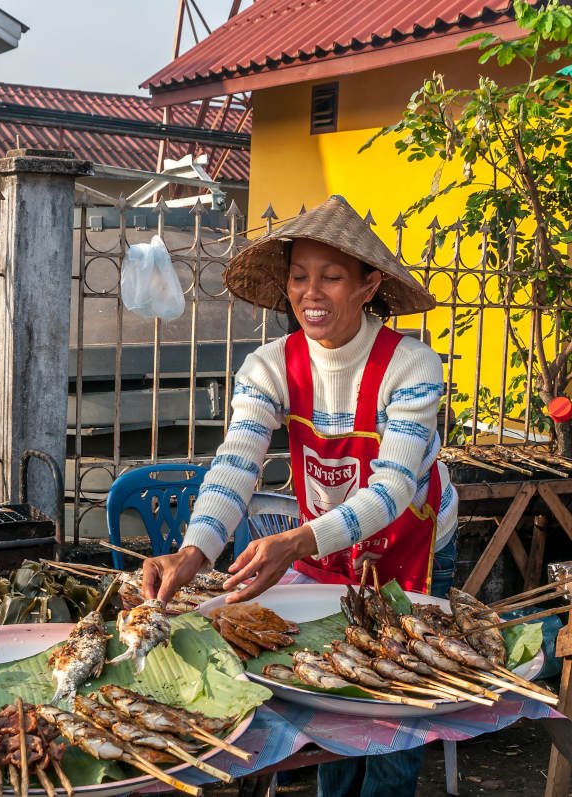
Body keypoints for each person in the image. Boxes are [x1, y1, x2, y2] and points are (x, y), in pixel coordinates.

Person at [141, 195, 459, 797]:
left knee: (399, 708)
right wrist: (193, 554)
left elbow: (391, 487)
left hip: (412, 547)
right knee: (334, 703)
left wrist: (296, 540)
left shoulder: (411, 365)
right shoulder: (267, 367)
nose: (312, 292)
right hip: (325, 550)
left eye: (332, 277)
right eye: (299, 276)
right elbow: (235, 468)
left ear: (369, 286)